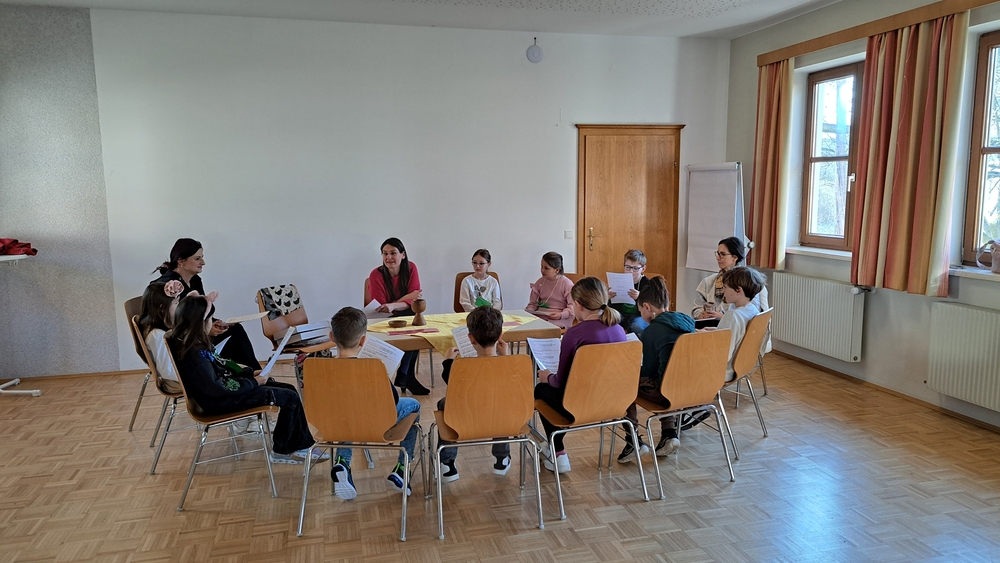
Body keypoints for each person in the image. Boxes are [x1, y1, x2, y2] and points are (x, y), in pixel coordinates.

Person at [167, 293, 322, 464]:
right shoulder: (194, 354)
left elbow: (221, 365)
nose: (212, 323)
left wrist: (249, 373)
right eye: (210, 319)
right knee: (289, 397)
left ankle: (298, 445)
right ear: (200, 323)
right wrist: (254, 382)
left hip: (224, 394)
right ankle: (284, 450)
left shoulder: (195, 343)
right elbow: (219, 387)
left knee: (289, 390)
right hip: (219, 401)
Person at [327, 307, 422, 499]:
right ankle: (402, 467)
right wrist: (386, 378)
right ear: (363, 340)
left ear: (332, 337)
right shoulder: (373, 368)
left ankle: (342, 461)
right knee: (414, 405)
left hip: (335, 423)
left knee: (345, 410)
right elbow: (393, 401)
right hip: (377, 422)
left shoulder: (320, 368)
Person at [534, 277, 626, 473]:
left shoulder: (574, 334)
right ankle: (554, 449)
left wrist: (547, 376)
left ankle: (558, 452)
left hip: (578, 404)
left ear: (578, 304)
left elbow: (559, 382)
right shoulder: (619, 330)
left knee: (541, 390)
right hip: (614, 401)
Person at [153, 238, 262, 371]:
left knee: (234, 329)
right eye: (197, 258)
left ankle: (252, 374)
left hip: (197, 332)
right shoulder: (166, 286)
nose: (203, 262)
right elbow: (171, 323)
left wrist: (214, 323)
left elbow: (202, 312)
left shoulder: (195, 280)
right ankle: (250, 375)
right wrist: (206, 330)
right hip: (183, 341)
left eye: (202, 257)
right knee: (234, 336)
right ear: (181, 261)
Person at [618, 276, 695, 463]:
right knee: (667, 377)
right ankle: (669, 433)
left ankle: (632, 441)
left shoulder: (651, 332)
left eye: (640, 311)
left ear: (647, 307)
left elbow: (648, 373)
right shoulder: (687, 321)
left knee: (624, 382)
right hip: (693, 388)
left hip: (666, 392)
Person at [436, 306, 511, 483]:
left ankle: (447, 464)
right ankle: (502, 459)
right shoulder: (512, 364)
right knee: (504, 402)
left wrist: (447, 361)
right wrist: (506, 357)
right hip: (498, 420)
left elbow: (449, 381)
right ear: (500, 336)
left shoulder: (460, 367)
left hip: (466, 419)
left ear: (470, 338)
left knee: (444, 404)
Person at [367, 237, 428, 395]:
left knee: (413, 317)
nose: (388, 257)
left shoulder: (411, 268)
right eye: (385, 253)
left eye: (393, 253)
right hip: (384, 319)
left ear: (403, 254)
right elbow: (382, 307)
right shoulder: (376, 274)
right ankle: (406, 375)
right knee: (413, 320)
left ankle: (405, 373)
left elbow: (414, 300)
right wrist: (404, 300)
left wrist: (394, 304)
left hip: (406, 315)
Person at [692, 237, 769, 325]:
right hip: (711, 327)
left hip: (734, 327)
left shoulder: (750, 283)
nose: (718, 258)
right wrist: (701, 315)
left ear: (735, 257)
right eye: (717, 253)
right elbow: (696, 309)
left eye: (723, 254)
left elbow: (752, 317)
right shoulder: (707, 282)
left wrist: (723, 318)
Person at [714, 266, 767, 382]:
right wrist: (714, 332)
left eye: (725, 287)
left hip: (723, 371)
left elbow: (723, 354)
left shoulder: (733, 316)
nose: (723, 292)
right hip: (741, 368)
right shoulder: (753, 310)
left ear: (738, 290)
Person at [137, 280, 183, 393]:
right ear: (162, 308)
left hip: (182, 374)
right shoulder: (157, 335)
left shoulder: (163, 329)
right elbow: (167, 371)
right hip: (177, 381)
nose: (179, 307)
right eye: (176, 303)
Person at [525, 251, 575, 330]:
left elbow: (572, 306)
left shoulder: (566, 284)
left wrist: (561, 315)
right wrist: (529, 311)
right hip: (541, 316)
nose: (542, 270)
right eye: (541, 266)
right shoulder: (540, 282)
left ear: (557, 270)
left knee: (546, 327)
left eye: (546, 268)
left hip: (560, 318)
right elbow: (533, 303)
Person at [608, 249, 651, 335]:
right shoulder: (617, 280)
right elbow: (610, 306)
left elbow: (651, 306)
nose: (630, 271)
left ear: (643, 268)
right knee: (608, 321)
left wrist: (640, 297)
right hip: (619, 313)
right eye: (627, 267)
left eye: (635, 269)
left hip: (639, 315)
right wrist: (608, 297)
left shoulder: (647, 284)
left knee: (637, 325)